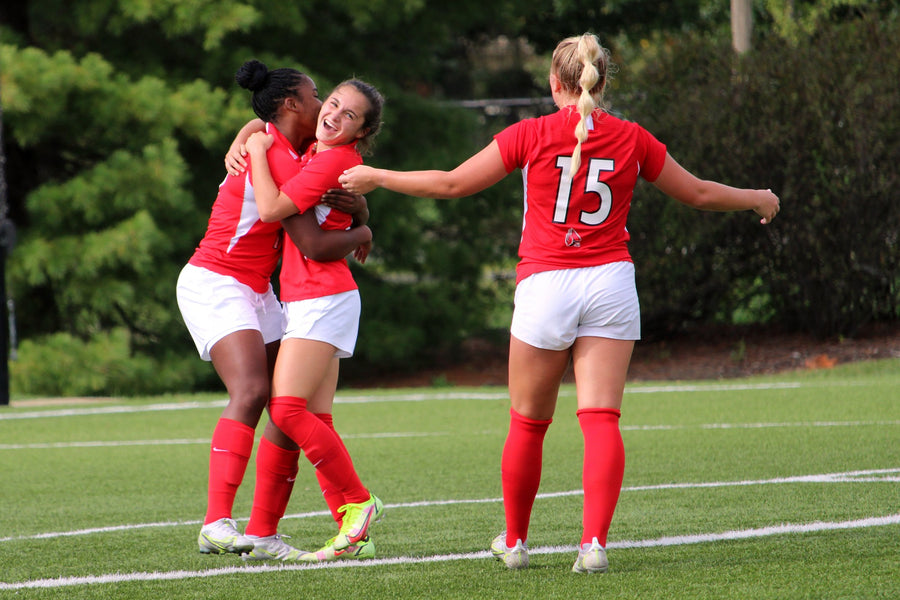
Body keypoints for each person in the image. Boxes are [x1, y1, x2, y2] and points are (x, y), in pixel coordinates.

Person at [339, 33, 780, 574]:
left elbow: (452, 185)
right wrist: (758, 197)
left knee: (528, 423)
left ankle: (517, 543)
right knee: (601, 420)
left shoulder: (530, 133)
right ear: (603, 80)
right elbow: (700, 194)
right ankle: (592, 545)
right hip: (610, 284)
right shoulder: (632, 137)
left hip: (547, 284)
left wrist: (376, 177)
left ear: (554, 83)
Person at [176, 60, 372, 558]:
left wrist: (249, 135)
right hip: (215, 280)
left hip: (257, 289)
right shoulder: (279, 153)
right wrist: (363, 229)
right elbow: (296, 226)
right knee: (257, 391)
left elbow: (275, 138)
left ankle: (264, 532)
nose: (322, 104)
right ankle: (217, 522)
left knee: (288, 409)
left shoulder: (292, 147)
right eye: (314, 96)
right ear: (290, 105)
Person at [238, 78, 386, 563]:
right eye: (335, 103)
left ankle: (360, 501)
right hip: (316, 299)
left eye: (350, 116)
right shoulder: (319, 155)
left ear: (360, 132)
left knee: (286, 410)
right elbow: (270, 128)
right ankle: (348, 521)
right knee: (314, 417)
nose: (335, 114)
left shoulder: (331, 159)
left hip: (322, 299)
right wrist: (246, 137)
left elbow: (273, 208)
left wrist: (255, 151)